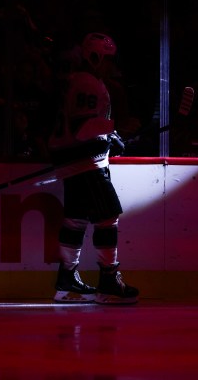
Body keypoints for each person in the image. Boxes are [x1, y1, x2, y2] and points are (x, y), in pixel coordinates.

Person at [48, 32, 139, 304]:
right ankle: (109, 281)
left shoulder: (82, 81)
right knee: (108, 216)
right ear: (96, 57)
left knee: (75, 220)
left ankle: (67, 279)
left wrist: (109, 138)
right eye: (109, 59)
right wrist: (114, 130)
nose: (113, 65)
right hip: (85, 163)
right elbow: (82, 127)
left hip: (75, 162)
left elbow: (83, 126)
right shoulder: (88, 83)